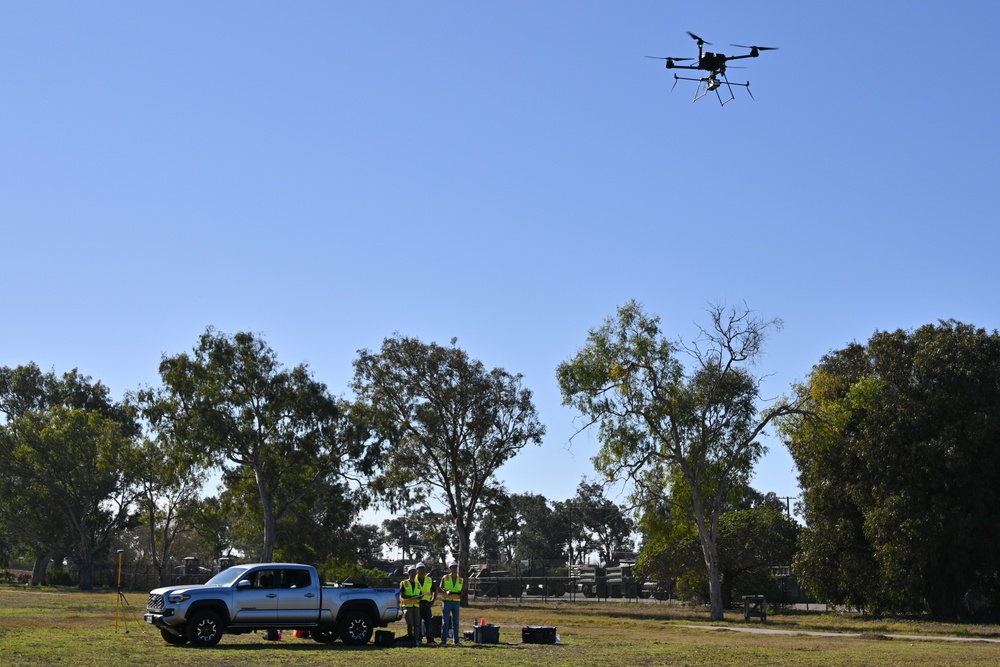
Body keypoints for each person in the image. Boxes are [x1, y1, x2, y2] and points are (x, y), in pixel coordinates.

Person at [439, 560, 463, 645]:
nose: (454, 569)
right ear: (450, 568)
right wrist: (446, 592)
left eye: (456, 567)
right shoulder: (445, 578)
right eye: (453, 567)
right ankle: (443, 640)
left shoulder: (460, 579)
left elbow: (461, 591)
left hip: (456, 602)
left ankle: (456, 641)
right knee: (445, 622)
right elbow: (440, 588)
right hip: (447, 602)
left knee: (456, 622)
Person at [415, 562, 437, 645]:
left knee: (429, 622)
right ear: (417, 570)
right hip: (417, 604)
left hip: (426, 604)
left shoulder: (429, 580)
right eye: (419, 568)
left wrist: (432, 600)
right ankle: (419, 638)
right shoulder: (414, 579)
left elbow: (435, 590)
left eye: (423, 568)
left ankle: (430, 639)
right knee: (418, 623)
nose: (421, 570)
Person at [399, 565, 422, 646]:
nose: (414, 573)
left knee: (417, 624)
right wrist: (410, 597)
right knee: (410, 623)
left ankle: (416, 639)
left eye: (415, 571)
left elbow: (420, 594)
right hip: (407, 606)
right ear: (409, 573)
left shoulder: (418, 584)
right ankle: (410, 638)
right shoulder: (404, 583)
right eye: (412, 571)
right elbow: (402, 594)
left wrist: (420, 596)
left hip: (416, 606)